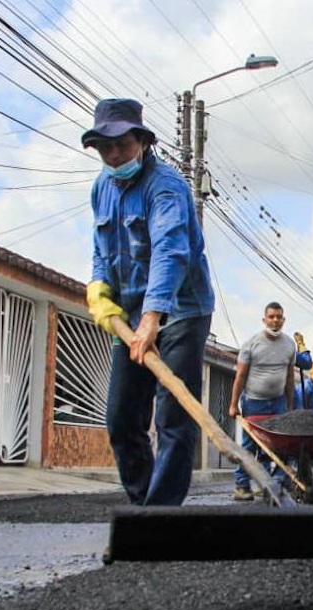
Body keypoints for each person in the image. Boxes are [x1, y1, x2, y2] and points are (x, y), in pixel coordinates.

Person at [82, 97, 215, 506]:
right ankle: (144, 503)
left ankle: (162, 514)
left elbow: (171, 252)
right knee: (121, 418)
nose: (114, 154)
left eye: (122, 144)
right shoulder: (102, 188)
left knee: (173, 415)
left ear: (141, 141)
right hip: (133, 315)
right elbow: (102, 249)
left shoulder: (167, 188)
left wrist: (153, 317)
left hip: (182, 311)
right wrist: (99, 287)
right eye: (105, 147)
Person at [228, 303, 313, 501]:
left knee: (280, 446)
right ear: (264, 319)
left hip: (278, 403)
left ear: (283, 320)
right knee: (250, 446)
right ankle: (242, 486)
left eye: (279, 317)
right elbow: (240, 376)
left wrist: (290, 405)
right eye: (272, 316)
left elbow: (291, 378)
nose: (275, 320)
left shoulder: (289, 345)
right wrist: (233, 404)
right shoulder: (251, 344)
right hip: (254, 403)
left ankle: (272, 483)